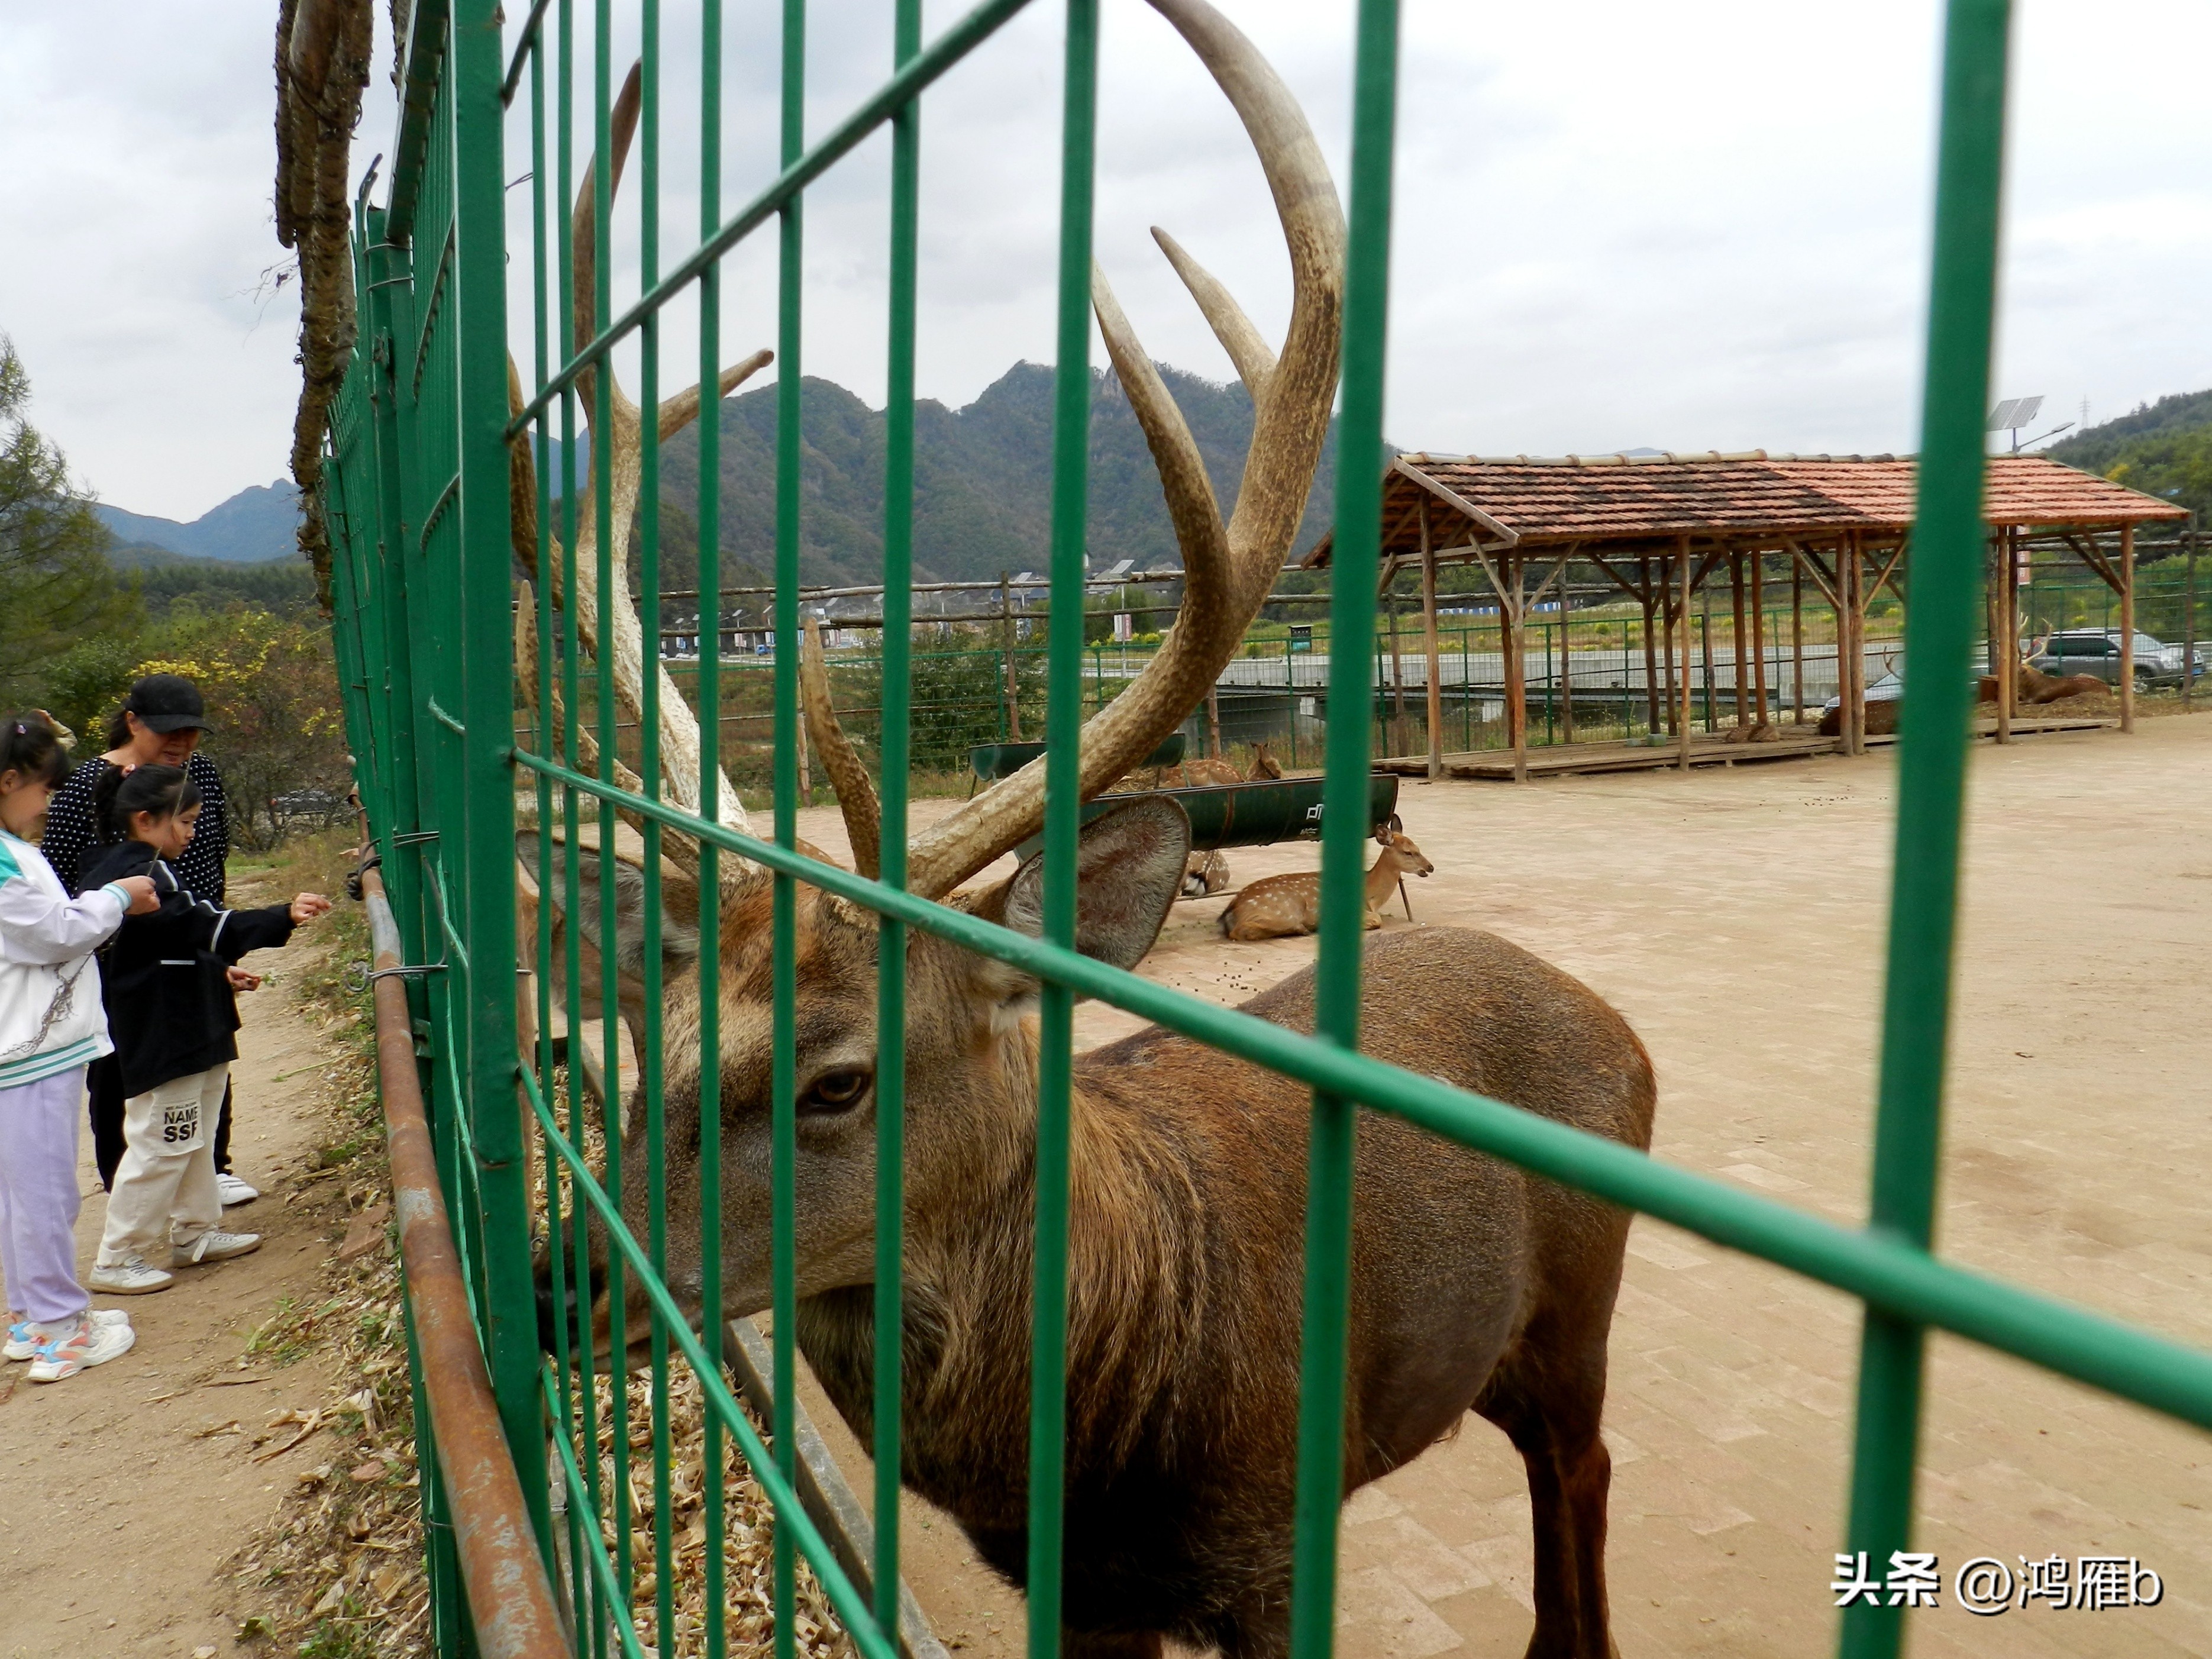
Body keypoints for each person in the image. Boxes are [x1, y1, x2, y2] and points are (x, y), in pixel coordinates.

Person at [78, 765, 329, 1295]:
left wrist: (216, 971)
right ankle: (117, 1256)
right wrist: (284, 914)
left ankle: (195, 1231)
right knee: (164, 1138)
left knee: (195, 1131)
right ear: (146, 820)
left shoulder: (145, 867)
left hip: (194, 1022)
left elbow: (172, 944)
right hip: (167, 1030)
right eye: (186, 821)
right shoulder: (137, 874)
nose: (193, 833)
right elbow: (207, 926)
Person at [41, 674, 257, 1206]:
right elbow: (61, 876)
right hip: (118, 956)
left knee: (205, 1052)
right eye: (168, 731)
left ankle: (212, 1168)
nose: (181, 743)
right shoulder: (85, 786)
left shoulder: (199, 772)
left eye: (191, 732)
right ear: (133, 722)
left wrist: (215, 932)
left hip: (194, 938)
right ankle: (124, 1180)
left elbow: (212, 851)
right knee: (121, 1066)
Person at [0, 715, 159, 1382]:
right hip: (28, 1048)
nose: (49, 800)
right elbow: (56, 932)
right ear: (10, 781)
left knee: (21, 1192)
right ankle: (62, 1331)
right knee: (43, 1193)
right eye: (45, 786)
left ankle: (31, 1316)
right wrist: (118, 896)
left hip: (25, 1042)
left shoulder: (11, 844)